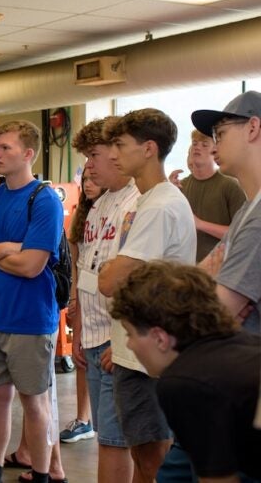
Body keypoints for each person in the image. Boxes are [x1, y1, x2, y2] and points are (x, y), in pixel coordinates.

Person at [98, 109, 196, 483]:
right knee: (145, 459)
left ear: (149, 149)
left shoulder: (159, 205)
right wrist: (121, 341)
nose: (112, 155)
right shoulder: (149, 200)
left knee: (153, 459)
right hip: (136, 349)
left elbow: (112, 281)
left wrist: (112, 273)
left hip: (149, 358)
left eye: (121, 146)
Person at [0, 120, 64, 483]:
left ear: (28, 154)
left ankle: (41, 474)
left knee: (34, 404)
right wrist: (6, 247)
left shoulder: (45, 201)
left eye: (5, 148)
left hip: (30, 321)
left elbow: (31, 265)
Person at [110, 261, 261, 482]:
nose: (130, 345)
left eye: (130, 334)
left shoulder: (184, 383)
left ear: (160, 338)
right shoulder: (239, 342)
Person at [71, 118, 140, 483]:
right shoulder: (98, 206)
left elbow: (141, 279)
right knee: (105, 437)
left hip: (118, 342)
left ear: (116, 152)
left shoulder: (136, 202)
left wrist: (124, 340)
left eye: (93, 155)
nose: (89, 166)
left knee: (118, 441)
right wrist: (80, 326)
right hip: (94, 338)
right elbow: (86, 272)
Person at [192, 91, 261, 333]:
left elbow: (212, 315)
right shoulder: (247, 210)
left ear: (252, 128)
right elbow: (199, 277)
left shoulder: (258, 218)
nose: (213, 148)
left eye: (220, 134)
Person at [61, 168, 103, 445]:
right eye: (85, 179)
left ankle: (96, 420)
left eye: (93, 178)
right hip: (84, 294)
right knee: (81, 358)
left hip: (105, 299)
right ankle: (83, 417)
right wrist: (74, 299)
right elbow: (75, 263)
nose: (88, 184)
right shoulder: (80, 215)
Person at [169, 130, 245, 262]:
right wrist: (168, 192)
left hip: (219, 269)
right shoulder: (181, 186)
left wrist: (200, 224)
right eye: (195, 143)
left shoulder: (230, 185)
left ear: (215, 152)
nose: (197, 147)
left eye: (204, 145)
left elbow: (242, 234)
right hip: (185, 268)